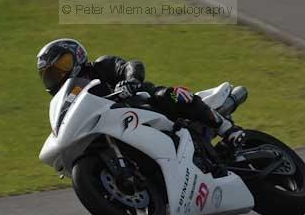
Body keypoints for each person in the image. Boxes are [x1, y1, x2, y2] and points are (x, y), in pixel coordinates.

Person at [36, 37, 243, 146]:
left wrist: (130, 82)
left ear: (77, 56)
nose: (59, 74)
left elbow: (130, 65)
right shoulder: (70, 98)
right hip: (117, 126)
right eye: (52, 73)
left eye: (63, 64)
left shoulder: (101, 66)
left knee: (172, 95)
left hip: (144, 101)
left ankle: (226, 128)